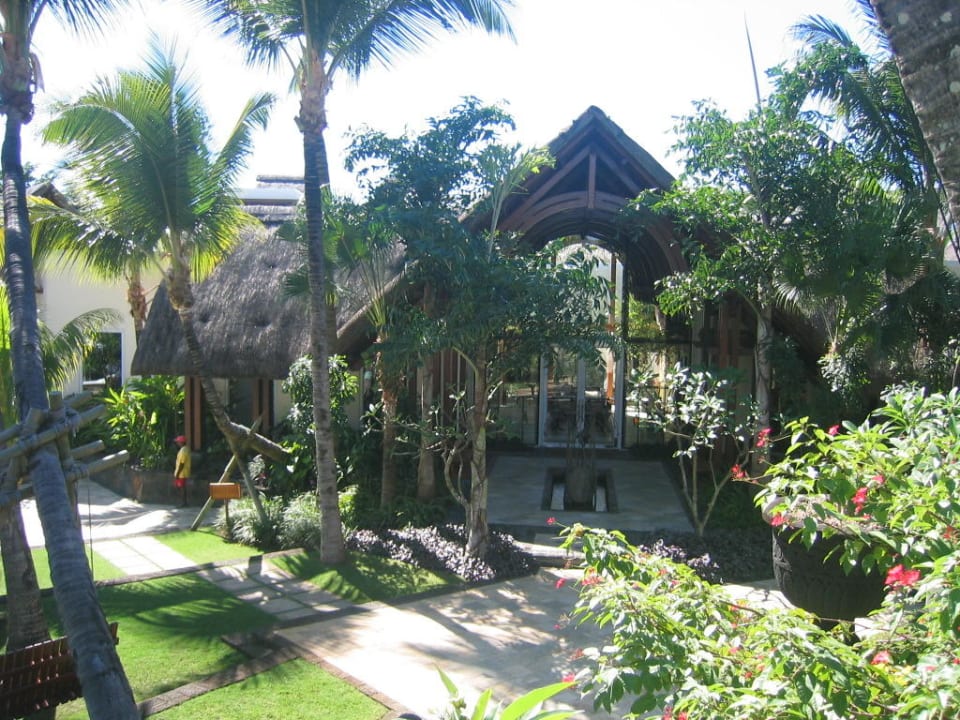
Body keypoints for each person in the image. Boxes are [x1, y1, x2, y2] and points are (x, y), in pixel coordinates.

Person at [173, 435, 191, 507]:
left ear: (181, 442)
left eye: (178, 442)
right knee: (181, 487)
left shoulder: (183, 450)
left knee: (181, 487)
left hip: (181, 473)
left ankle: (183, 503)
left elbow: (182, 463)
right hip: (182, 472)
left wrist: (177, 473)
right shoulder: (185, 449)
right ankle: (184, 502)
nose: (177, 443)